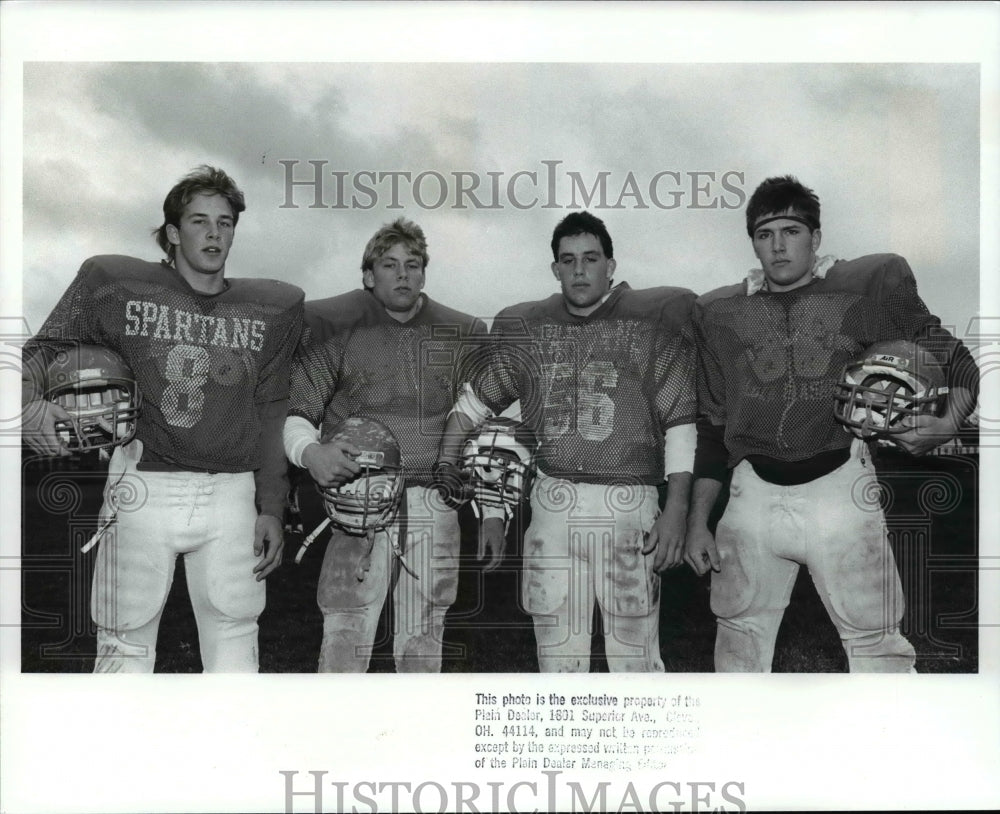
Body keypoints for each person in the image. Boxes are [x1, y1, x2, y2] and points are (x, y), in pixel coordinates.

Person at [684, 175, 978, 673]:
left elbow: (964, 366)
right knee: (737, 645)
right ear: (752, 241)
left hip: (839, 487)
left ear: (816, 237)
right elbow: (712, 427)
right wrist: (696, 522)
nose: (777, 246)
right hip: (751, 492)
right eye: (764, 233)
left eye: (791, 230)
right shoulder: (720, 313)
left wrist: (947, 425)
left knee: (878, 647)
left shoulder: (865, 290)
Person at [21, 165, 304, 672]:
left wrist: (272, 505)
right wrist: (32, 404)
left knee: (237, 641)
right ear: (173, 233)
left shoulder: (274, 307)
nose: (214, 232)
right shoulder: (116, 283)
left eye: (225, 222)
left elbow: (271, 408)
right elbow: (40, 352)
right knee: (123, 643)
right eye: (199, 221)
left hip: (231, 492)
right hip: (144, 486)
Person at [437, 211, 698, 672]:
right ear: (555, 269)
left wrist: (676, 510)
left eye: (591, 259)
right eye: (568, 260)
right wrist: (452, 469)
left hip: (629, 504)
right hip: (553, 505)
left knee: (634, 662)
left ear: (611, 266)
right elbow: (476, 407)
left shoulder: (650, 322)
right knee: (557, 661)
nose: (579, 270)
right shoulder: (529, 328)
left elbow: (680, 423)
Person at [283, 218, 487, 672]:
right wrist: (312, 452)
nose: (402, 274)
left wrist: (474, 478)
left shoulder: (458, 333)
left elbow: (482, 410)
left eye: (413, 265)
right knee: (346, 631)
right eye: (389, 265)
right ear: (368, 275)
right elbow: (298, 415)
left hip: (433, 500)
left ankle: (413, 737)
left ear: (424, 274)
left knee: (424, 637)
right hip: (360, 496)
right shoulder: (338, 330)